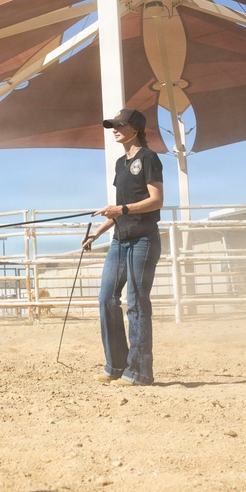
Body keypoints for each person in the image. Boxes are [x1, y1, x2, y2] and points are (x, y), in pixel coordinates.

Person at [82, 108, 164, 387]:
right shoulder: (120, 163)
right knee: (106, 298)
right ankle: (116, 365)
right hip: (120, 240)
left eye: (119, 125)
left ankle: (139, 372)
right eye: (113, 125)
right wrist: (97, 233)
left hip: (143, 239)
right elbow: (119, 209)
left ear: (135, 129)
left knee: (137, 303)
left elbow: (156, 200)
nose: (114, 129)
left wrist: (122, 209)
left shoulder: (149, 158)